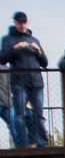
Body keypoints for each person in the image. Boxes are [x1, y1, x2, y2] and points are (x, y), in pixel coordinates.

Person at [0, 12, 49, 148]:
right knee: (20, 115)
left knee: (39, 116)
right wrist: (15, 49)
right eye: (20, 22)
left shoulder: (34, 40)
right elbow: (2, 59)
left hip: (36, 82)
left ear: (27, 23)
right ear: (15, 23)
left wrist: (39, 52)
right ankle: (22, 145)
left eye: (24, 22)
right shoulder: (8, 40)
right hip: (19, 82)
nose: (22, 25)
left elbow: (45, 63)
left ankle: (43, 143)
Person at [0, 63, 13, 146]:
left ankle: (21, 146)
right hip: (6, 102)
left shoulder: (9, 69)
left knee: (14, 125)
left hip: (7, 103)